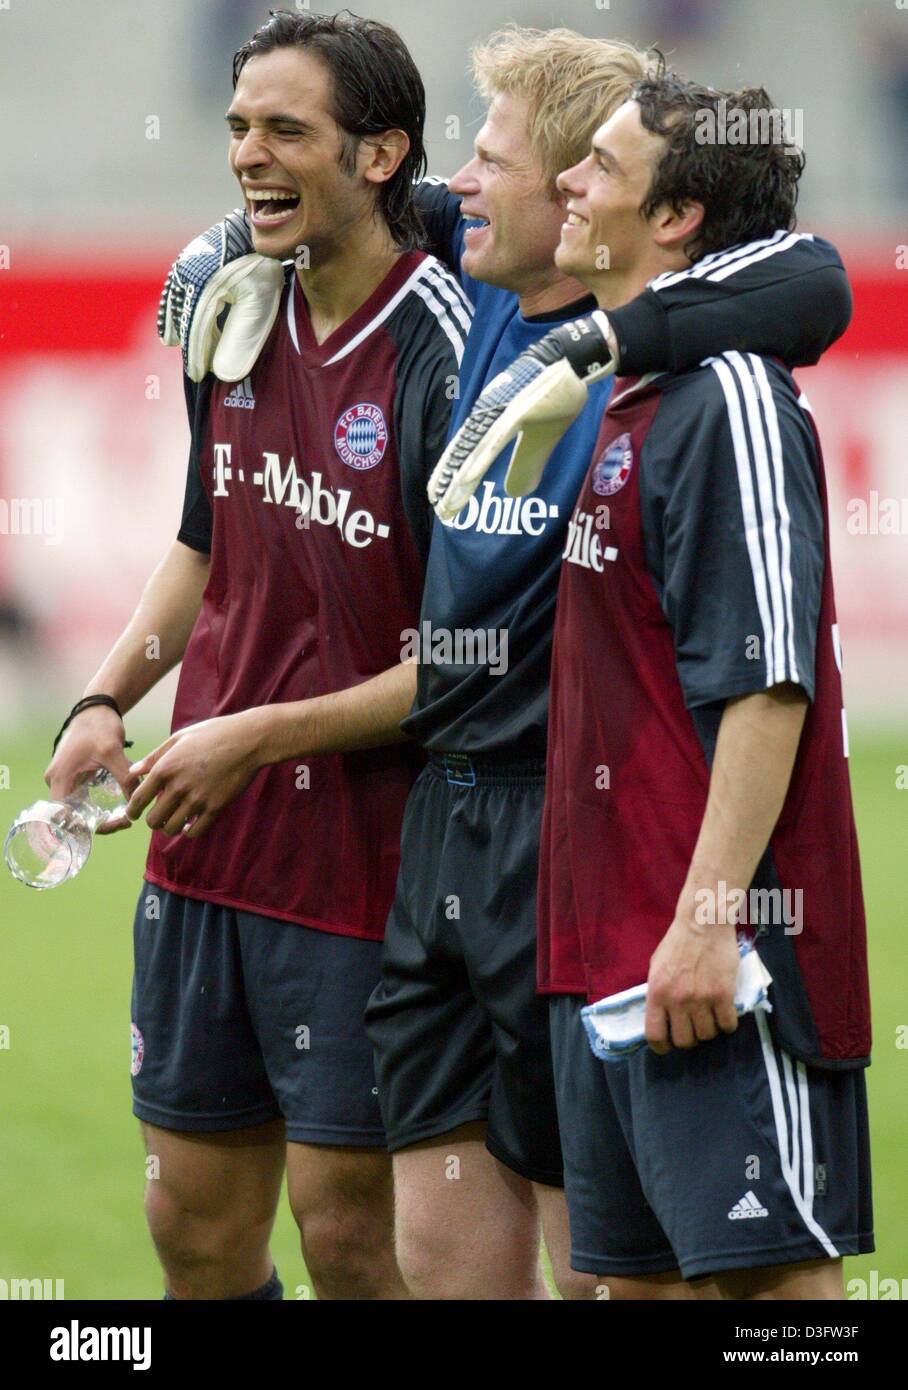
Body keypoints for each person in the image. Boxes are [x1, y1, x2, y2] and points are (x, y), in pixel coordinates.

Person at [162, 25, 853, 1300]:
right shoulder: (474, 280)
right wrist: (216, 246)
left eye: (503, 160)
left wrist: (602, 341)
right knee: (439, 1263)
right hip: (444, 824)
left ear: (590, 189)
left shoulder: (659, 372)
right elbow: (328, 194)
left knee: (648, 1270)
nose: (464, 182)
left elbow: (814, 279)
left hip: (569, 833)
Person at [45, 10, 468, 1301]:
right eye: (237, 126)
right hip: (203, 839)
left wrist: (252, 735)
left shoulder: (445, 351)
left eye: (287, 129)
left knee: (347, 1233)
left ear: (383, 151)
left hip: (363, 859)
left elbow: (470, 660)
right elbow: (200, 545)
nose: (249, 156)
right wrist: (111, 694)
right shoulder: (228, 305)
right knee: (192, 1227)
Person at [538, 68, 873, 1298]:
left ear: (674, 218)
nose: (571, 181)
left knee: (766, 1293)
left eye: (604, 169)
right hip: (611, 952)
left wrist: (706, 917)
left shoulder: (725, 396)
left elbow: (767, 680)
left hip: (716, 960)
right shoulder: (636, 386)